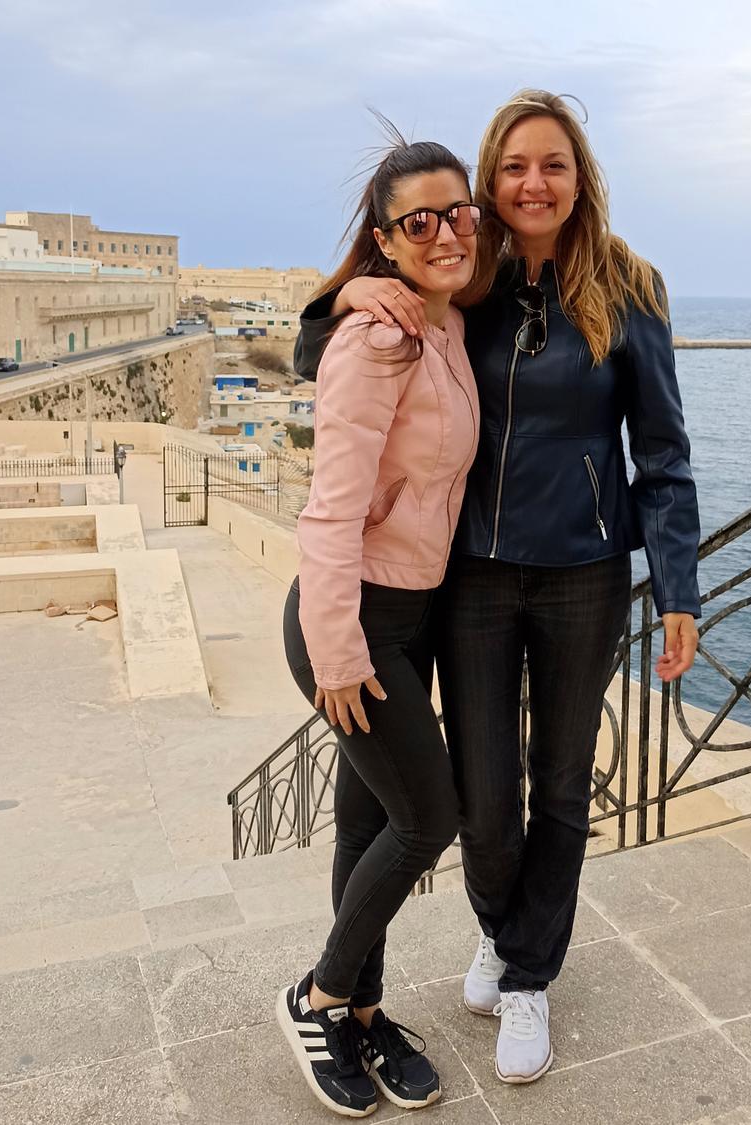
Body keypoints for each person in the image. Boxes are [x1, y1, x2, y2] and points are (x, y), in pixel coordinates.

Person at [295, 89, 702, 1086]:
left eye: (554, 164)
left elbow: (662, 453)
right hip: (468, 577)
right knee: (481, 790)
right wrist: (343, 296)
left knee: (560, 782)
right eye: (515, 166)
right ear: (490, 180)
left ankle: (526, 971)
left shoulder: (630, 286)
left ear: (580, 178)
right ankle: (491, 928)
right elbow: (319, 355)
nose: (534, 182)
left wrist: (679, 586)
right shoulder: (461, 275)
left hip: (585, 573)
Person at [278, 134, 482, 1118]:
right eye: (419, 221)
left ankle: (363, 1014)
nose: (446, 233)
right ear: (386, 238)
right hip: (354, 619)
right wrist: (339, 651)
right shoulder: (380, 339)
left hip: (413, 615)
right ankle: (318, 996)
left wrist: (342, 292)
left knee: (370, 824)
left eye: (459, 212)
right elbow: (329, 507)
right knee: (427, 820)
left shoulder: (444, 322)